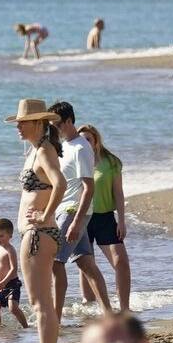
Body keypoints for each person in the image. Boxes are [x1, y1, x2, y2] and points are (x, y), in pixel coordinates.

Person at [8, 98, 67, 343]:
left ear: (39, 123)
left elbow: (61, 183)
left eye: (23, 122)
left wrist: (45, 215)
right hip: (38, 234)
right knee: (42, 302)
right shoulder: (35, 151)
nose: (18, 126)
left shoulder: (44, 151)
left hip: (39, 234)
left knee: (40, 304)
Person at [47, 102, 114, 319]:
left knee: (56, 264)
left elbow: (89, 187)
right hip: (66, 209)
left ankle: (55, 319)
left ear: (68, 121)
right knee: (86, 263)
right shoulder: (63, 145)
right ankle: (108, 314)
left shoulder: (81, 148)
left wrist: (76, 221)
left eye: (56, 124)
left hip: (73, 211)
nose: (53, 129)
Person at [78, 123, 132, 312]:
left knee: (121, 262)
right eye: (81, 140)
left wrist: (122, 220)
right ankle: (89, 307)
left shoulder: (111, 162)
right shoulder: (74, 160)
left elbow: (118, 192)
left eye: (88, 139)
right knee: (86, 264)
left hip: (105, 218)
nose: (84, 143)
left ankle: (125, 308)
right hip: (81, 218)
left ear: (96, 141)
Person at [0, 218, 28, 328]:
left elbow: (14, 269)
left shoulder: (10, 250)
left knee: (13, 308)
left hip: (11, 283)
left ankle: (25, 326)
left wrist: (4, 282)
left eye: (1, 236)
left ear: (10, 236)